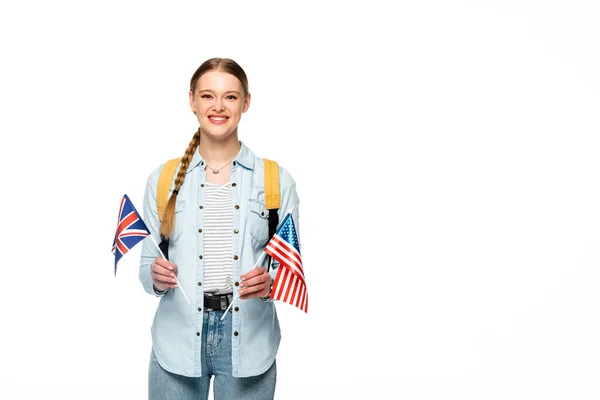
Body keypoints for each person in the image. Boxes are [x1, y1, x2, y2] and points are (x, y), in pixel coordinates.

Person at [138, 57, 300, 399]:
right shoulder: (163, 179)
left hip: (249, 340)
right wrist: (155, 276)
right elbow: (145, 270)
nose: (218, 106)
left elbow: (291, 269)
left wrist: (270, 284)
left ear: (246, 102)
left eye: (230, 96)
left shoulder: (275, 180)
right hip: (177, 336)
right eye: (208, 95)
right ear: (192, 100)